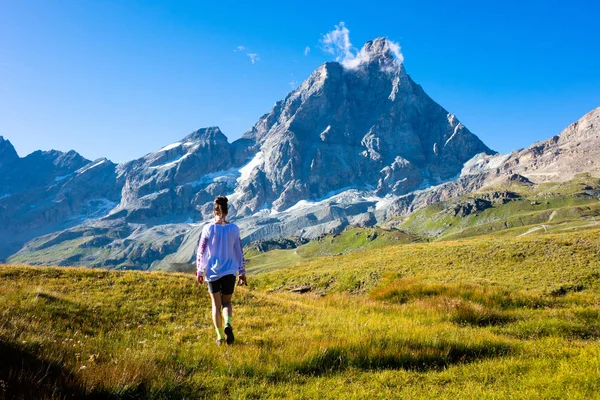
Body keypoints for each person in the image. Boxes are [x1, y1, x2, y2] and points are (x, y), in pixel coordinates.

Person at [196, 196, 247, 345]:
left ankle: (219, 337)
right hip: (230, 272)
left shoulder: (208, 228)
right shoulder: (234, 228)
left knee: (215, 306)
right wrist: (242, 271)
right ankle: (227, 324)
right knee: (227, 303)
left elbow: (202, 251)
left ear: (214, 211)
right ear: (227, 211)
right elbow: (239, 250)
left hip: (213, 272)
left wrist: (200, 271)